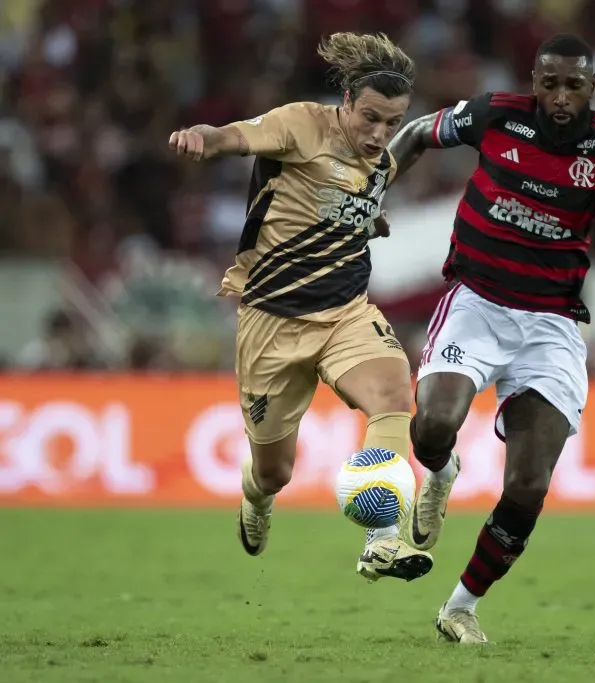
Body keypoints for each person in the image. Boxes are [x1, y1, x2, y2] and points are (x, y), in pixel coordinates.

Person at [387, 33, 595, 643]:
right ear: (534, 80)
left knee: (528, 485)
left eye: (573, 85)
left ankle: (461, 607)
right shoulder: (496, 114)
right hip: (476, 303)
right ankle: (441, 472)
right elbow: (421, 131)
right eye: (549, 83)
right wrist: (376, 184)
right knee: (431, 426)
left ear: (591, 88)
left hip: (550, 324)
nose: (559, 96)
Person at [168, 32, 432, 583]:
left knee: (392, 395)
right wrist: (200, 137)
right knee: (274, 472)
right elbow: (235, 137)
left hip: (345, 313)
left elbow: (355, 200)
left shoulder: (379, 161)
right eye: (370, 119)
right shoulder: (300, 124)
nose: (380, 134)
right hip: (272, 321)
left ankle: (382, 541)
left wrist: (366, 220)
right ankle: (255, 497)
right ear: (347, 104)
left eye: (393, 122)